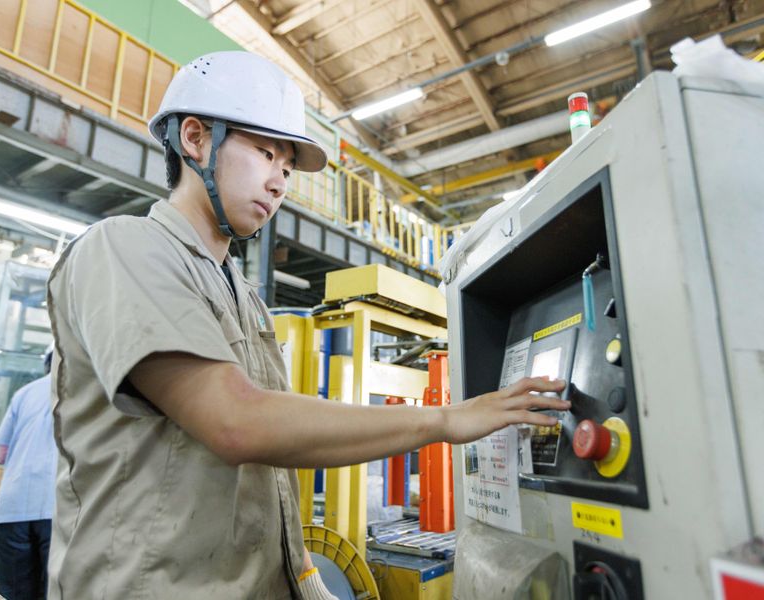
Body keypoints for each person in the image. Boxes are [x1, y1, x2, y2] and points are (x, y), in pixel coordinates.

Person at [45, 51, 570, 600]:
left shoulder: (245, 298)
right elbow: (237, 422)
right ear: (195, 139)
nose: (279, 184)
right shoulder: (124, 248)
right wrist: (446, 419)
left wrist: (303, 578)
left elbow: (272, 463)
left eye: (288, 168)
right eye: (265, 153)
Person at [0, 346, 56, 600]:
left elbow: (2, 454)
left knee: (14, 592)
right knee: (54, 590)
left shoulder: (24, 393)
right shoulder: (87, 393)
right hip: (57, 506)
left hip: (12, 505)